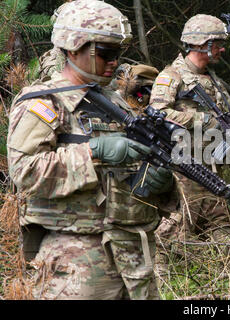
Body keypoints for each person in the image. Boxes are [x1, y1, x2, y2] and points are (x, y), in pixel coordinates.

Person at [7, 0, 175, 300]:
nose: (114, 62)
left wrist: (154, 184)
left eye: (118, 53)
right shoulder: (45, 104)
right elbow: (25, 172)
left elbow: (122, 176)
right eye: (105, 53)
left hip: (132, 255)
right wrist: (93, 152)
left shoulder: (117, 103)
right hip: (76, 260)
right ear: (73, 49)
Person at [149, 14, 230, 279]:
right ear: (202, 44)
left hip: (211, 163)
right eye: (218, 43)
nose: (222, 49)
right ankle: (161, 279)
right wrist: (200, 120)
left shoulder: (212, 80)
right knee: (183, 219)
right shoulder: (172, 76)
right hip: (184, 163)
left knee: (221, 220)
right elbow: (157, 112)